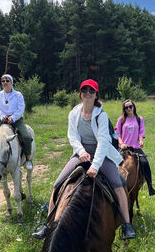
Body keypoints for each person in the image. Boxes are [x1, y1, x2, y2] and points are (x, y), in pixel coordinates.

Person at [32, 79, 135, 240]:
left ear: (96, 95)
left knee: (118, 185)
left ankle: (127, 225)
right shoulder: (73, 113)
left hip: (101, 153)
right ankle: (48, 225)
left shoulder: (101, 115)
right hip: (81, 153)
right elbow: (72, 136)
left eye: (91, 91)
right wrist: (80, 152)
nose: (88, 93)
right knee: (57, 184)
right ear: (80, 94)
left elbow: (102, 141)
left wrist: (95, 165)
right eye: (84, 90)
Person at [0, 74, 33, 170]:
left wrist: (13, 118)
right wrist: (2, 117)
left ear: (11, 82)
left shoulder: (18, 95)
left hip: (16, 119)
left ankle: (28, 159)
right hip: (2, 120)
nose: (5, 82)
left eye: (7, 80)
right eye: (3, 81)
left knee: (26, 136)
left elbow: (21, 108)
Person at [116, 99, 155, 196]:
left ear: (134, 107)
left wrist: (141, 140)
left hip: (135, 147)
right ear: (124, 109)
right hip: (124, 148)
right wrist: (121, 143)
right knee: (114, 164)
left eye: (130, 106)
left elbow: (141, 132)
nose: (128, 109)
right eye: (126, 107)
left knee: (144, 162)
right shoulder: (121, 120)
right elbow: (117, 134)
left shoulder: (139, 119)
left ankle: (150, 186)